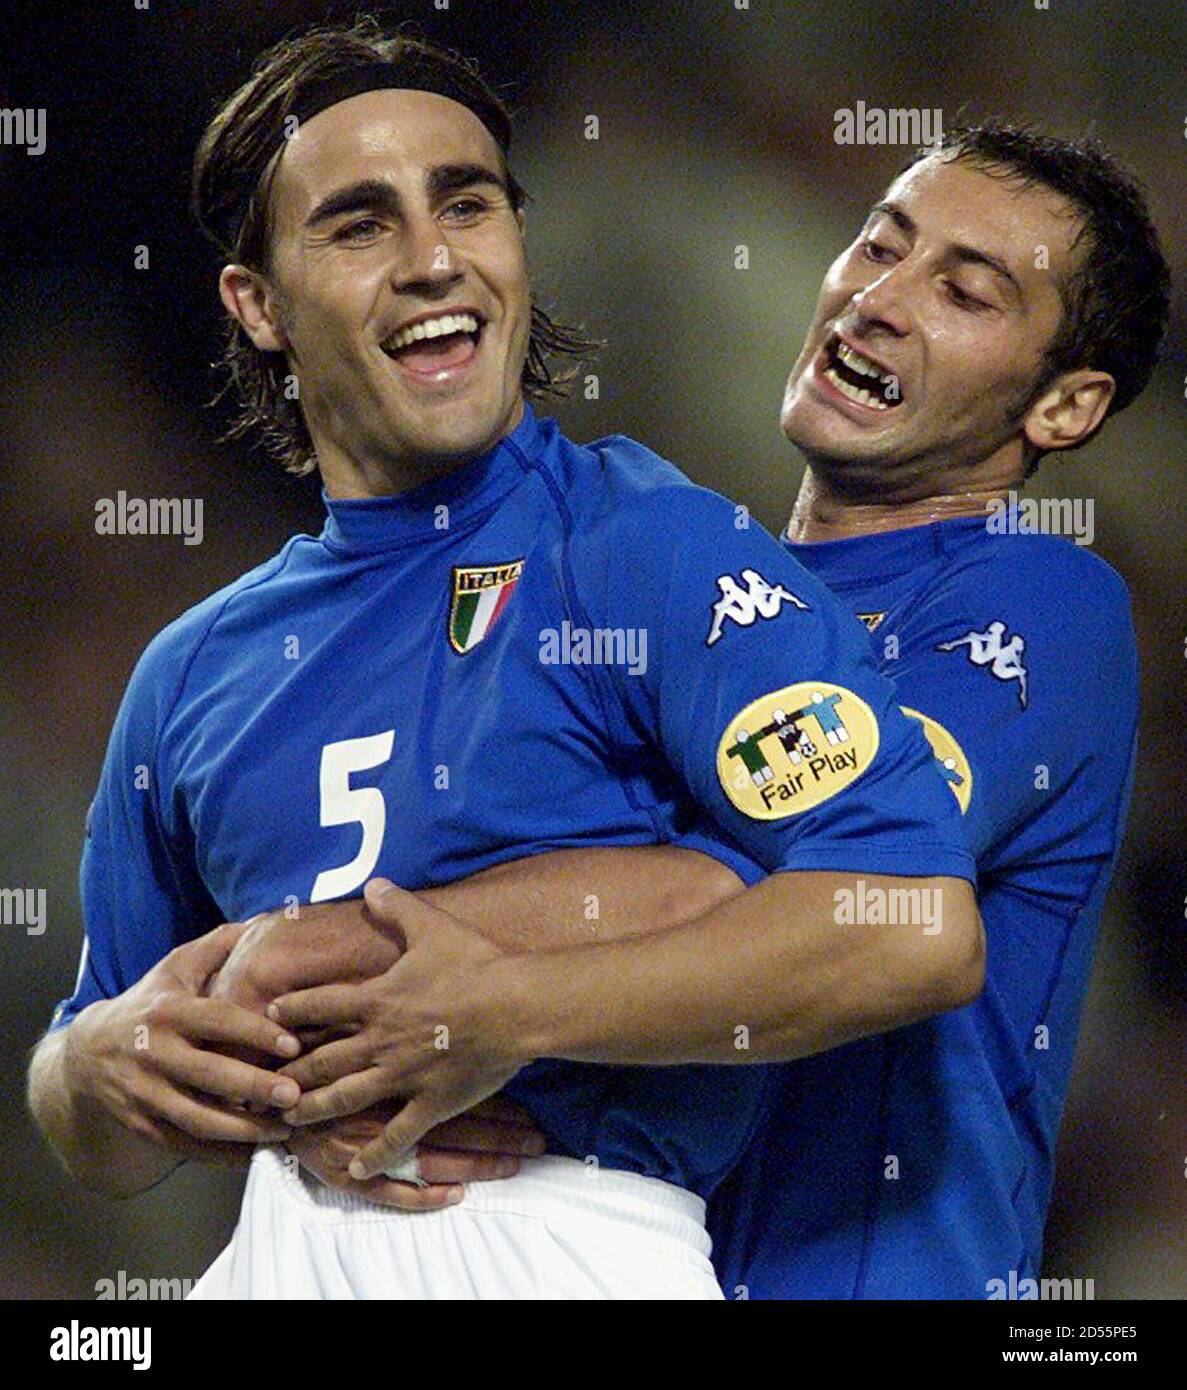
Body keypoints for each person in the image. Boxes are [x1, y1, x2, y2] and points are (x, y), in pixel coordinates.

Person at [27, 22, 978, 1300]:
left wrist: (508, 1009)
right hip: (270, 1252)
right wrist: (92, 1067)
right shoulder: (192, 670)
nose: (432, 261)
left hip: (563, 1241)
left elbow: (912, 921)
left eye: (465, 203)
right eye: (360, 224)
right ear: (257, 305)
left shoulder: (644, 544)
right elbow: (90, 1109)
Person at [301, 122, 1160, 1300]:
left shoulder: (1041, 597)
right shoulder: (707, 592)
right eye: (876, 246)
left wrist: (437, 992)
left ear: (1062, 409)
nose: (877, 300)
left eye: (962, 292)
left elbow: (804, 885)